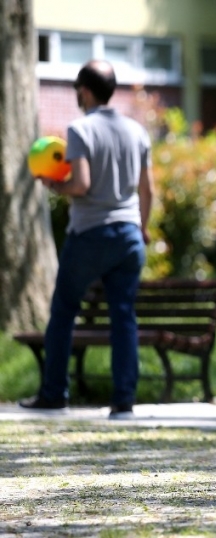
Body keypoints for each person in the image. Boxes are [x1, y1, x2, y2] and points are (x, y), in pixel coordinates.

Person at [19, 60, 154, 419]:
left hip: (90, 235)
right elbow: (148, 190)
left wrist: (54, 185)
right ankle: (123, 401)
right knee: (123, 316)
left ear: (85, 90)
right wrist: (142, 227)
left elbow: (81, 184)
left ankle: (54, 394)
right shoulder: (136, 131)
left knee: (64, 311)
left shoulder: (80, 129)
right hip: (128, 234)